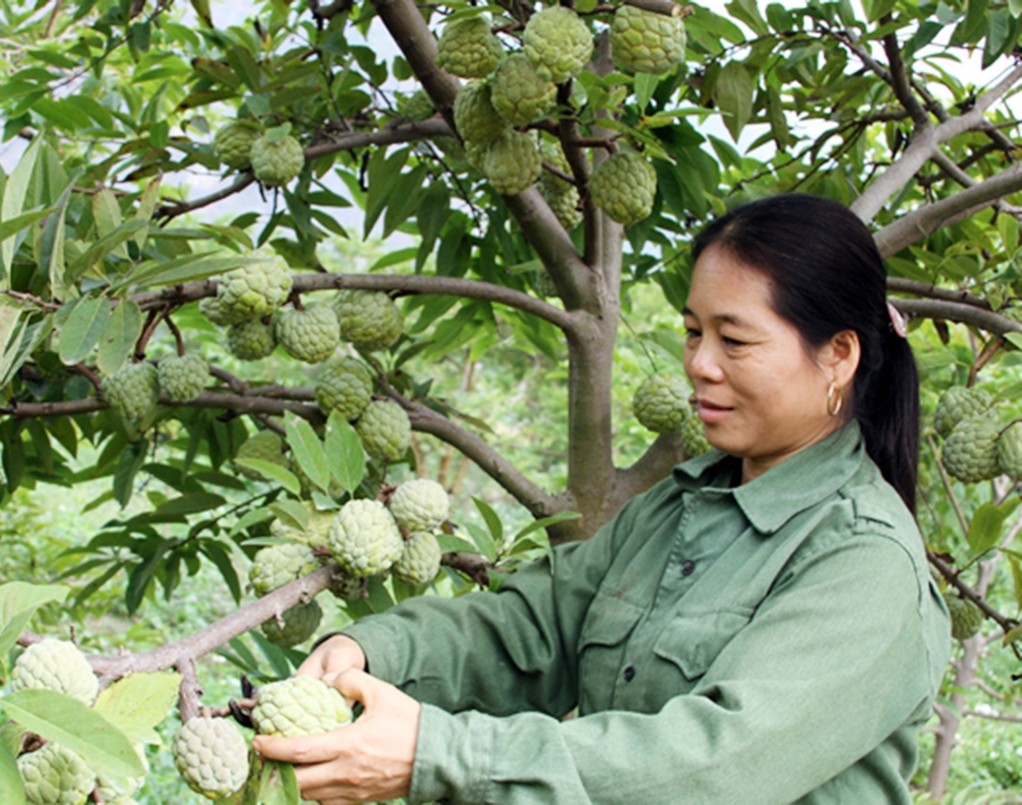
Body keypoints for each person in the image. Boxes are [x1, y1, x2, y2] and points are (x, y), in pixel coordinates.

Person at [254, 194, 951, 804]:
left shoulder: (865, 560)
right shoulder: (681, 506)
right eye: (693, 332)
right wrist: (374, 649)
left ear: (838, 356)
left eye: (734, 340)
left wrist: (438, 754)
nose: (699, 365)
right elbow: (535, 627)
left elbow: (713, 768)